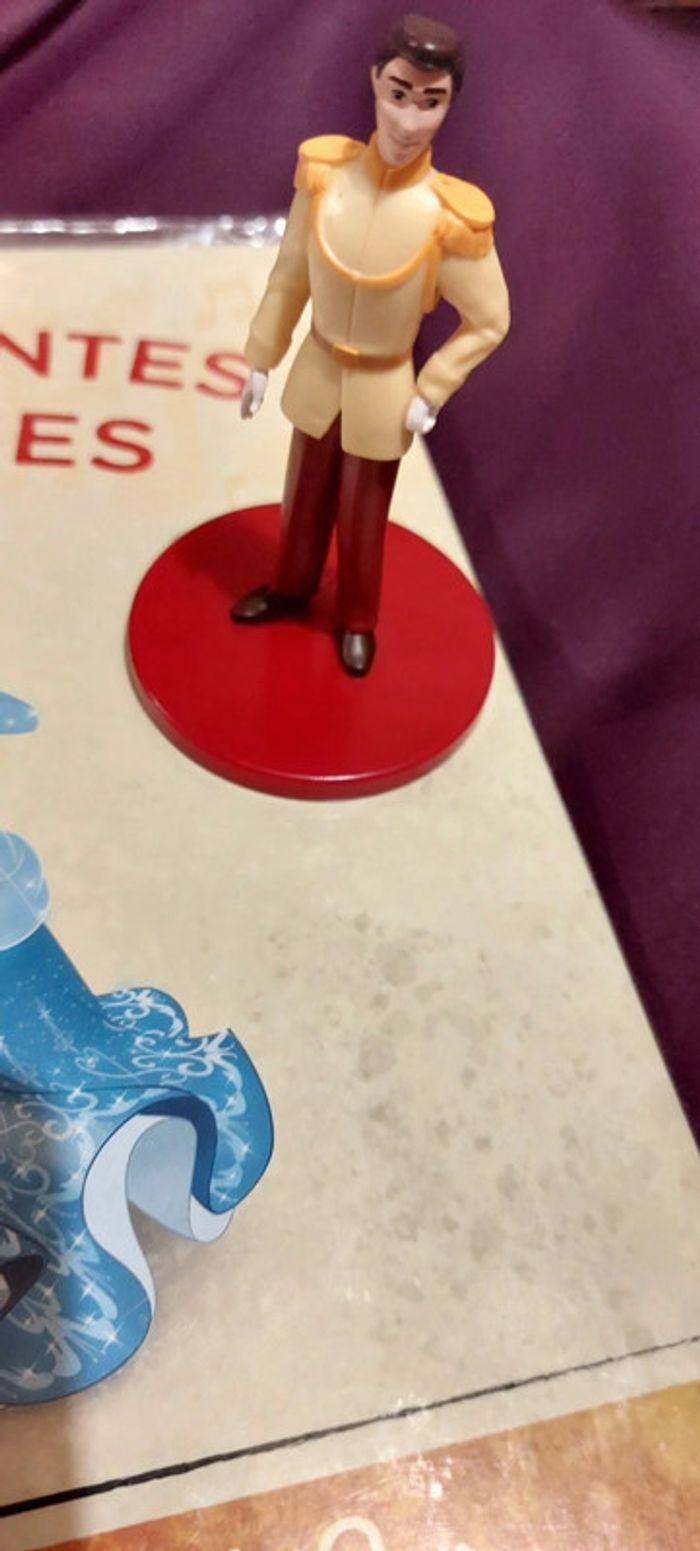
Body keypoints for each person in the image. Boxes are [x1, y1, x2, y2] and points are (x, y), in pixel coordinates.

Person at [232, 13, 510, 675]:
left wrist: (432, 388)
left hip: (386, 382)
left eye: (430, 102)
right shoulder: (325, 178)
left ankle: (357, 616)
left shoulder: (450, 218)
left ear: (449, 107)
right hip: (320, 363)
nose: (409, 120)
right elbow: (291, 275)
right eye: (398, 94)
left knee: (364, 511)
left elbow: (490, 319)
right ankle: (291, 585)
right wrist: (262, 356)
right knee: (303, 494)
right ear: (375, 83)